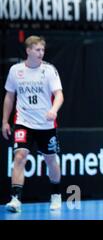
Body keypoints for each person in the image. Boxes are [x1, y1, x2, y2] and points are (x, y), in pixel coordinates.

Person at [2, 36, 64, 213]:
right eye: (37, 50)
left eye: (43, 50)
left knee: (51, 160)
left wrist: (54, 109)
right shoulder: (16, 70)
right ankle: (15, 199)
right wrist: (5, 121)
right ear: (28, 50)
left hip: (46, 124)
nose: (41, 53)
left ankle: (56, 195)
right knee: (20, 156)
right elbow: (9, 97)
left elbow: (59, 95)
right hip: (23, 122)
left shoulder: (49, 70)